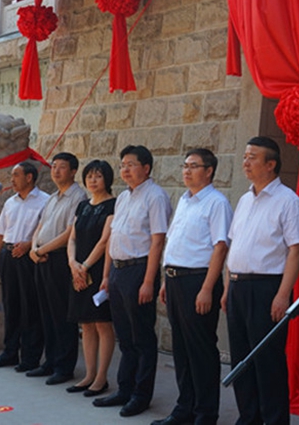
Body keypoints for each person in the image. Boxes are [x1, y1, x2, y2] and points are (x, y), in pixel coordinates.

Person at [222, 136, 299, 425]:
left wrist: (284, 295)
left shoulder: (288, 201)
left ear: (271, 165)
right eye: (245, 156)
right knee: (241, 361)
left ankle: (274, 420)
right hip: (237, 286)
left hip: (266, 288)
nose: (246, 162)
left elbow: (296, 249)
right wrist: (226, 287)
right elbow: (234, 245)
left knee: (267, 361)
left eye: (253, 157)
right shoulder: (245, 199)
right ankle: (249, 418)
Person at [155, 148, 233, 425]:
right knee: (182, 349)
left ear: (209, 171)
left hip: (198, 280)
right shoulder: (185, 201)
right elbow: (176, 243)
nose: (186, 171)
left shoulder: (216, 203)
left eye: (194, 166)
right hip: (176, 280)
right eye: (184, 166)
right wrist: (166, 280)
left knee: (201, 350)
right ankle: (184, 408)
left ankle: (205, 413)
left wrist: (207, 288)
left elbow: (220, 247)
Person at [93, 145, 172, 418]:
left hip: (139, 271)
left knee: (142, 337)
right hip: (117, 271)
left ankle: (141, 394)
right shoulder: (123, 198)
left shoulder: (156, 196)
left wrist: (149, 280)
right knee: (124, 336)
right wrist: (106, 276)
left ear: (146, 168)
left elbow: (157, 241)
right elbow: (113, 238)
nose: (125, 169)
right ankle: (124, 389)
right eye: (122, 164)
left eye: (131, 164)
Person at [26, 152, 87, 384]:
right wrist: (34, 247)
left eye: (62, 167)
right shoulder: (52, 198)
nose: (56, 171)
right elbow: (40, 225)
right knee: (46, 313)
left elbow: (70, 233)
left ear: (73, 171)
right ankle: (49, 362)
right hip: (40, 258)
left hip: (59, 259)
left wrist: (41, 250)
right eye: (53, 167)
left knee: (62, 314)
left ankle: (64, 366)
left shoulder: (78, 197)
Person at [0, 162, 49, 371]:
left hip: (28, 257)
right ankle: (9, 352)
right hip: (8, 255)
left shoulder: (45, 201)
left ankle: (30, 357)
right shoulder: (10, 202)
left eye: (16, 175)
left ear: (29, 177)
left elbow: (48, 232)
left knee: (30, 307)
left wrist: (29, 244)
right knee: (10, 305)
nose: (11, 180)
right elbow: (1, 233)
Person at [66, 159, 116, 397]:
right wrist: (73, 263)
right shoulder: (82, 206)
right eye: (89, 176)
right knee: (85, 324)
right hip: (78, 270)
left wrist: (85, 266)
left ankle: (102, 377)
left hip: (98, 270)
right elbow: (72, 237)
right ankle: (88, 374)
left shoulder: (112, 206)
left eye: (98, 176)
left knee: (102, 324)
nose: (93, 180)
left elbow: (105, 240)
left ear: (107, 178)